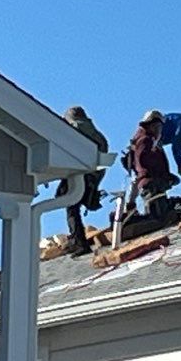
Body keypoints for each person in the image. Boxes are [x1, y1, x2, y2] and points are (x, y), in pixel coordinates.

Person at [63, 105, 110, 253]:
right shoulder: (96, 133)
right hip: (93, 176)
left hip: (78, 174)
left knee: (70, 205)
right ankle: (77, 239)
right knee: (72, 205)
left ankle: (78, 241)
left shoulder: (74, 128)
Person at [120, 111, 180, 222]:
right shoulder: (145, 140)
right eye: (159, 126)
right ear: (153, 125)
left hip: (152, 184)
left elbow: (137, 177)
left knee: (160, 214)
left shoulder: (144, 139)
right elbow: (145, 165)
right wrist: (163, 176)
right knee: (160, 219)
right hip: (152, 184)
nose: (160, 130)